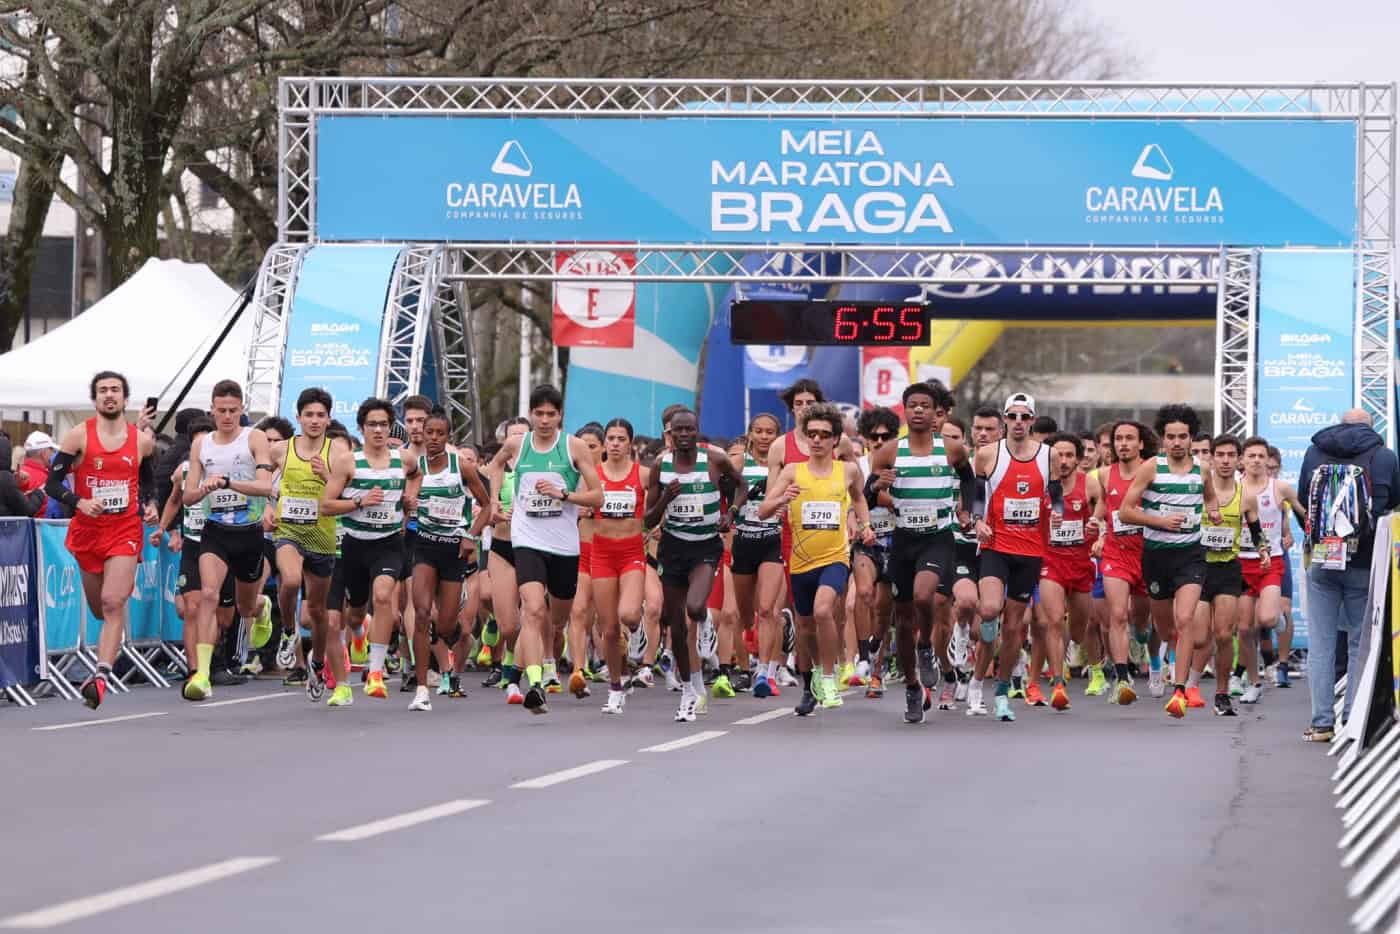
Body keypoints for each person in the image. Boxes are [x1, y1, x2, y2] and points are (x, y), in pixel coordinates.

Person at [484, 385, 604, 714]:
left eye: (551, 414)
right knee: (534, 609)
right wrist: (494, 500)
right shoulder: (517, 445)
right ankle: (535, 685)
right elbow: (494, 466)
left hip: (564, 544)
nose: (545, 420)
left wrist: (564, 495)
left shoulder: (574, 447)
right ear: (532, 414)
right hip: (528, 540)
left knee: (557, 619)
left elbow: (598, 497)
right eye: (539, 414)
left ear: (560, 415)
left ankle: (551, 659)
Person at [44, 372, 159, 707]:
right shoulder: (77, 436)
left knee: (113, 602)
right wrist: (78, 501)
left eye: (115, 391)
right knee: (100, 609)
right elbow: (52, 485)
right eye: (103, 391)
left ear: (125, 399)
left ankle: (101, 676)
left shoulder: (142, 441)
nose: (109, 396)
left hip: (124, 529)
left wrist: (150, 505)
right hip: (88, 531)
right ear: (95, 399)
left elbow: (149, 484)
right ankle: (106, 658)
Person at [869, 381, 976, 725]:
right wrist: (877, 486)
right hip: (903, 539)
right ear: (904, 410)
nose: (918, 410)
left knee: (923, 595)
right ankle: (913, 686)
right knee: (900, 621)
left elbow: (969, 479)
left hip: (938, 538)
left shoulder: (952, 449)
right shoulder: (888, 452)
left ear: (935, 414)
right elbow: (866, 495)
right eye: (912, 404)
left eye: (924, 405)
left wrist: (966, 512)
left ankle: (927, 645)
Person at [762, 402, 873, 715]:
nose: (817, 440)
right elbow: (763, 510)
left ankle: (828, 676)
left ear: (836, 439)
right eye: (812, 434)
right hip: (800, 561)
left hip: (835, 556)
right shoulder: (792, 471)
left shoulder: (848, 470)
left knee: (825, 610)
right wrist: (782, 499)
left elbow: (860, 498)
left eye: (824, 435)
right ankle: (810, 679)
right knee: (806, 626)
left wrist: (864, 525)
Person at [1297, 409, 1400, 741]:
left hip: (1323, 559)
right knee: (1359, 643)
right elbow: (1393, 504)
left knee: (1322, 642)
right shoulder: (1384, 456)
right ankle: (1353, 720)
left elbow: (1302, 501)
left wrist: (1320, 540)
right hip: (1365, 559)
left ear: (1340, 424)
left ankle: (1321, 723)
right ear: (1370, 429)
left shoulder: (1315, 451)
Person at [1117, 404, 1220, 719]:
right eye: (1171, 437)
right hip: (1157, 554)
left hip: (1191, 554)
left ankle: (1179, 692)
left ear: (1191, 439)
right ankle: (1159, 652)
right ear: (1162, 439)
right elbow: (1125, 511)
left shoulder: (1202, 469)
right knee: (1165, 629)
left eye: (1183, 437)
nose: (1177, 442)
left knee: (1186, 620)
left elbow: (1210, 496)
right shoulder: (1151, 467)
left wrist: (1213, 511)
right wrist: (1160, 522)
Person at [320, 397, 421, 706]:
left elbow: (416, 475)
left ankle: (375, 673)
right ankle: (354, 651)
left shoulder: (402, 459)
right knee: (348, 617)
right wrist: (360, 502)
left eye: (383, 424)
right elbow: (326, 505)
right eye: (372, 425)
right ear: (361, 428)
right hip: (352, 547)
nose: (378, 430)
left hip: (388, 544)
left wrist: (409, 501)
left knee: (383, 597)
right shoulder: (348, 462)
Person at [646, 408, 744, 722]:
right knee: (675, 627)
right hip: (673, 547)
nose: (684, 435)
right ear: (670, 434)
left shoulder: (714, 459)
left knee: (694, 605)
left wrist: (730, 514)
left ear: (697, 430)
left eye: (690, 429)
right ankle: (690, 690)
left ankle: (704, 622)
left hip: (705, 545)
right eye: (678, 431)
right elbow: (646, 519)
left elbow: (741, 487)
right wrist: (665, 499)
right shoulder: (660, 465)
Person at [180, 380, 276, 702]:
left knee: (244, 606)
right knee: (208, 595)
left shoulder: (255, 438)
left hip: (249, 533)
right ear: (212, 410)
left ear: (242, 410)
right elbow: (188, 497)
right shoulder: (201, 445)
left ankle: (263, 607)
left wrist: (228, 483)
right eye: (221, 411)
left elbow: (265, 487)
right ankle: (202, 675)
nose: (227, 416)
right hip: (215, 531)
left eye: (233, 411)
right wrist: (205, 489)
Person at [973, 391, 1053, 723]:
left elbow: (1057, 489)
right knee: (990, 609)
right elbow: (978, 494)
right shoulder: (987, 453)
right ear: (1005, 420)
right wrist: (978, 521)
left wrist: (1058, 512)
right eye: (1012, 416)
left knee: (1014, 628)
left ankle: (1002, 692)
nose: (1018, 422)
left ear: (1032, 421)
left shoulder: (1048, 455)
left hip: (1030, 551)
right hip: (996, 546)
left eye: (1025, 417)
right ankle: (977, 679)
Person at [404, 408, 491, 711]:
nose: (434, 439)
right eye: (430, 433)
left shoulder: (462, 466)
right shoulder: (416, 468)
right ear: (423, 435)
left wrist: (472, 535)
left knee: (445, 627)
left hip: (454, 550)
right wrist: (407, 504)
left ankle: (448, 636)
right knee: (422, 613)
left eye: (441, 434)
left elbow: (487, 506)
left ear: (448, 436)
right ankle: (421, 690)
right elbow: (404, 503)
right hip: (425, 546)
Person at [268, 388, 347, 702]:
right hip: (289, 531)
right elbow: (265, 483)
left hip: (323, 538)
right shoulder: (280, 451)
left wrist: (327, 475)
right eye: (308, 415)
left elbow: (345, 493)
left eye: (320, 415)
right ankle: (288, 631)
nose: (314, 420)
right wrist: (268, 508)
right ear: (298, 417)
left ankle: (316, 663)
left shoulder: (338, 452)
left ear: (328, 419)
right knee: (289, 579)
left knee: (318, 612)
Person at [1197, 434, 1266, 717]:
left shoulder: (1246, 496)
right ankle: (1189, 684)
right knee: (1201, 638)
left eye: (1230, 456)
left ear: (1238, 460)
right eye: (1220, 455)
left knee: (1224, 634)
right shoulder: (1198, 490)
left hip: (1227, 569)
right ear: (1211, 458)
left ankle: (1222, 694)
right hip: (1198, 568)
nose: (1225, 461)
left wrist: (1263, 550)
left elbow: (1257, 531)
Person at [1036, 432, 1103, 712]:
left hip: (1081, 563)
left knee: (1076, 631)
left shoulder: (1088, 484)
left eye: (1068, 456)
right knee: (1053, 621)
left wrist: (1096, 524)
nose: (1063, 461)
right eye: (1057, 455)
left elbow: (1105, 507)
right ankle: (1058, 682)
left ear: (1078, 458)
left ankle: (1078, 655)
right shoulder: (1041, 484)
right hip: (1050, 562)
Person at [1234, 437, 1304, 704]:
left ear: (1268, 460)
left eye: (1260, 456)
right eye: (1250, 456)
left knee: (1264, 620)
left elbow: (1300, 513)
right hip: (1240, 563)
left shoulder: (1280, 488)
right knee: (1244, 629)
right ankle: (1253, 682)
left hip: (1270, 561)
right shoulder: (1233, 489)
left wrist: (1316, 528)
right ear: (1242, 460)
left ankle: (1278, 620)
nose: (1255, 461)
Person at [1092, 420, 1156, 705]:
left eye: (1130, 438)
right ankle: (1121, 679)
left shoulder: (1153, 471)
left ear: (1141, 443)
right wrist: (1096, 529)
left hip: (1149, 553)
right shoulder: (1103, 475)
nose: (1123, 444)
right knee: (1117, 614)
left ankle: (1143, 641)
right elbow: (1102, 509)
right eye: (1118, 438)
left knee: (1140, 621)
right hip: (1117, 554)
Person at [591, 418, 650, 714]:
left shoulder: (643, 475)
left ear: (630, 443)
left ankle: (639, 632)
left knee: (627, 614)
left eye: (620, 439)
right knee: (609, 629)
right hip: (601, 554)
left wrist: (655, 527)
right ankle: (616, 686)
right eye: (610, 438)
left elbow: (667, 497)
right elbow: (577, 503)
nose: (615, 443)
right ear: (604, 443)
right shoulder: (594, 475)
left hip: (631, 553)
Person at [0, 433, 45, 517]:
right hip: (6, 529)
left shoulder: (8, 477)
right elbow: (27, 510)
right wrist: (39, 493)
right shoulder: (5, 478)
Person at [17, 431, 58, 516]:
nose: (53, 453)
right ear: (43, 453)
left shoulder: (18, 474)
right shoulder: (45, 479)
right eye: (51, 450)